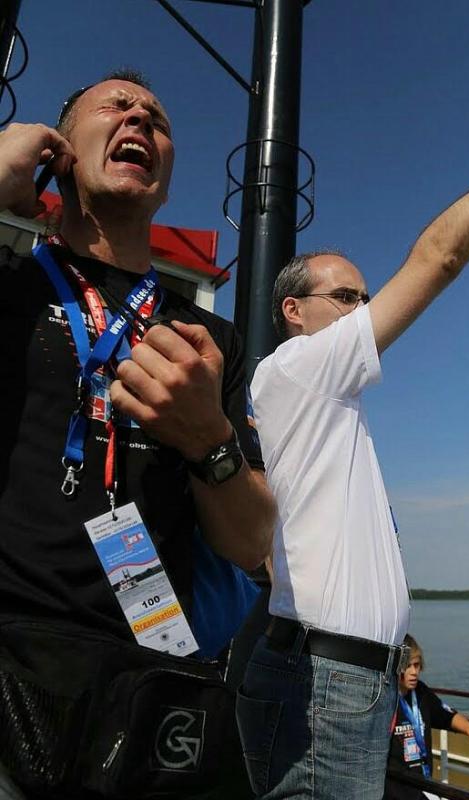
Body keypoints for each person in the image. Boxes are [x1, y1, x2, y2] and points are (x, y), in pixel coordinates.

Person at [236, 77, 469, 800]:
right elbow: (439, 258)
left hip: (348, 677)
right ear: (293, 310)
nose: (364, 309)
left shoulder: (320, 398)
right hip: (324, 679)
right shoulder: (298, 367)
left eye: (366, 298)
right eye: (347, 297)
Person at [0, 70, 276, 798]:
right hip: (13, 654)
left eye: (156, 117)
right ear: (57, 151)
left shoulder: (208, 337)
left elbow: (251, 544)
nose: (139, 120)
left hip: (152, 676)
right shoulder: (10, 286)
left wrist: (208, 439)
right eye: (115, 107)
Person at [384, 636, 469, 800]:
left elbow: (448, 716)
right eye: (407, 666)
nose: (414, 672)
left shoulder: (421, 693)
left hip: (422, 786)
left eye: (417, 665)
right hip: (394, 790)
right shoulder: (385, 698)